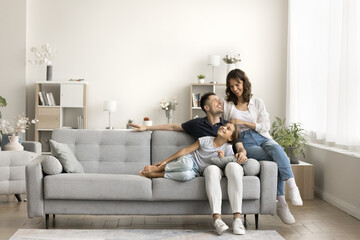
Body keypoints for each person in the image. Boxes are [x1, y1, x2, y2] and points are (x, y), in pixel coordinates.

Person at [130, 92, 247, 235]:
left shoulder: (227, 125)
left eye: (219, 99)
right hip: (202, 166)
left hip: (221, 164)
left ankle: (237, 219)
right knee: (201, 169)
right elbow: (173, 127)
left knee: (224, 168)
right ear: (206, 107)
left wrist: (242, 152)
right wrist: (146, 127)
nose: (219, 101)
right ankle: (217, 219)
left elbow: (238, 143)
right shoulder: (197, 124)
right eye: (215, 100)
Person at [223, 68, 303, 225]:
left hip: (261, 135)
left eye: (238, 84)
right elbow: (223, 126)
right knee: (278, 159)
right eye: (231, 86)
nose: (235, 89)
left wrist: (244, 122)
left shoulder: (257, 102)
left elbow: (266, 125)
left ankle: (293, 188)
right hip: (244, 140)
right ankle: (282, 204)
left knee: (277, 150)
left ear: (244, 83)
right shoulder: (227, 105)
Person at [140, 122, 240, 182]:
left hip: (197, 171)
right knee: (187, 164)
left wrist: (222, 158)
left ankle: (156, 175)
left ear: (230, 137)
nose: (223, 127)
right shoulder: (205, 140)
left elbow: (227, 166)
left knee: (186, 176)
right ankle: (160, 168)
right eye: (224, 125)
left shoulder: (228, 149)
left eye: (228, 129)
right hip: (190, 160)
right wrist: (165, 161)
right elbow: (185, 150)